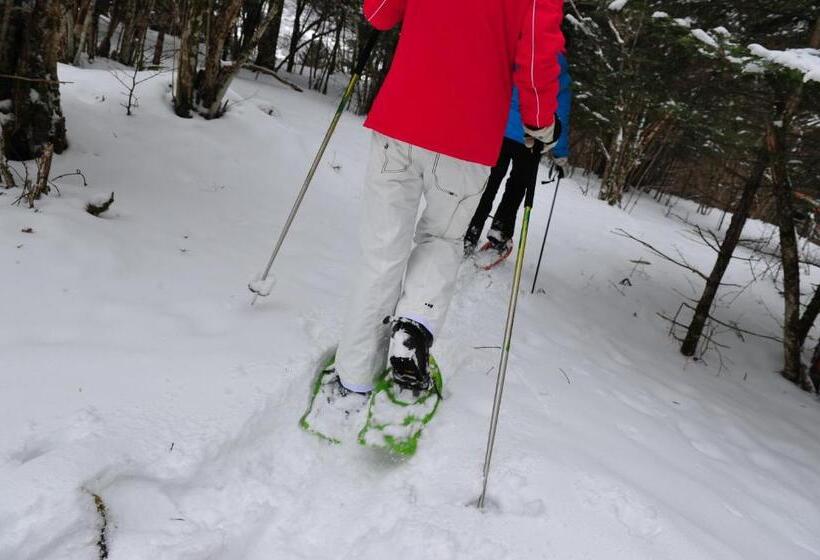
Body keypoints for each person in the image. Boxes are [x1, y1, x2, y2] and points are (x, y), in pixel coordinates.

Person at [327, 0, 565, 413]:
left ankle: (352, 375)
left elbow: (379, 13)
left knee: (382, 251)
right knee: (442, 239)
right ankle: (414, 328)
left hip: (401, 119)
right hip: (468, 136)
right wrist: (541, 122)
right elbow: (535, 60)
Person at [464, 52, 573, 260]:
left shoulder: (521, 54)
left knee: (490, 182)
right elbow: (561, 118)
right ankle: (500, 231)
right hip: (531, 137)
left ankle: (471, 230)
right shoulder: (562, 76)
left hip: (500, 130)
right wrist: (560, 155)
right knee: (517, 185)